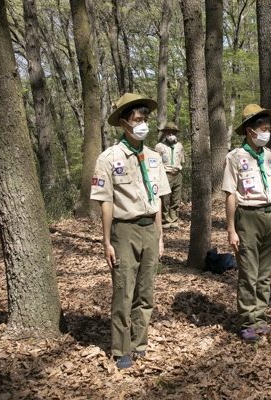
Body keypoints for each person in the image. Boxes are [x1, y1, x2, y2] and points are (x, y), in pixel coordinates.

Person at [90, 93, 170, 369]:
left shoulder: (154, 157)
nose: (143, 124)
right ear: (124, 123)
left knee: (145, 292)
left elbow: (158, 198)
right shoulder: (109, 158)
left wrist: (160, 235)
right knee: (124, 291)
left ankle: (139, 343)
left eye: (145, 119)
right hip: (124, 231)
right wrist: (107, 241)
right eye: (137, 119)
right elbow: (106, 202)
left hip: (150, 230)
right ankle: (121, 348)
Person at [222, 104, 271, 342]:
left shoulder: (270, 156)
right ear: (250, 130)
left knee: (264, 273)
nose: (267, 133)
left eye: (268, 128)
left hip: (269, 216)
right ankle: (247, 321)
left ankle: (260, 317)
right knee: (248, 272)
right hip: (247, 217)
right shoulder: (235, 158)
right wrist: (231, 229)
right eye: (263, 129)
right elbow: (230, 194)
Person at [155, 122, 184, 230]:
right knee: (165, 199)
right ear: (165, 133)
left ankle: (174, 220)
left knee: (176, 199)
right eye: (169, 131)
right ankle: (165, 220)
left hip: (177, 174)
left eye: (173, 132)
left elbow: (182, 160)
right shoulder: (160, 146)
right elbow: (156, 162)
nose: (171, 133)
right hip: (165, 175)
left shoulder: (179, 146)